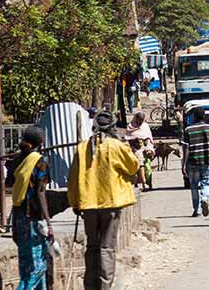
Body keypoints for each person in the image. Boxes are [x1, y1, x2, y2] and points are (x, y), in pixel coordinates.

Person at [69, 111, 140, 290]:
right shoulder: (116, 146)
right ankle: (105, 286)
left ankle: (90, 286)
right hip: (111, 204)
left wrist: (75, 203)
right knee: (107, 248)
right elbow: (133, 166)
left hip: (88, 205)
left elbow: (73, 178)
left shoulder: (82, 147)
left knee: (92, 246)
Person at [9, 126, 53, 290]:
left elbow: (12, 186)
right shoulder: (40, 161)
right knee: (36, 269)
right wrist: (49, 223)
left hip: (19, 215)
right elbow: (40, 193)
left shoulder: (18, 160)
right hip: (33, 218)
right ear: (41, 142)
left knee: (26, 265)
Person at [182, 106, 209, 217]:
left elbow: (186, 148)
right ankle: (205, 198)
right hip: (206, 161)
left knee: (193, 186)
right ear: (203, 116)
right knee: (206, 182)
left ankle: (196, 209)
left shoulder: (188, 129)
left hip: (192, 162)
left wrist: (184, 164)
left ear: (194, 116)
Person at [123, 111, 155, 191]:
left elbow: (149, 137)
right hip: (134, 151)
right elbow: (127, 138)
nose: (140, 122)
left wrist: (148, 147)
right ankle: (138, 184)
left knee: (147, 168)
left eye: (142, 120)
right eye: (139, 120)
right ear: (136, 118)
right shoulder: (130, 126)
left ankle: (148, 183)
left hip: (145, 150)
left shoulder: (145, 126)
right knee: (135, 169)